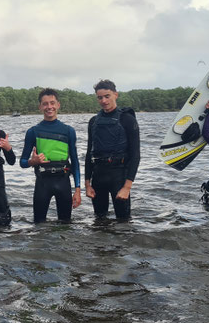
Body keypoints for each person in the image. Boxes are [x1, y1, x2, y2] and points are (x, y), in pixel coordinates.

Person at [19, 88, 82, 223]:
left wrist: (77, 190)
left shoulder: (68, 131)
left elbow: (75, 162)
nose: (49, 107)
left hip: (63, 182)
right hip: (42, 183)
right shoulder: (33, 132)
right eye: (45, 104)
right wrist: (32, 161)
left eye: (52, 103)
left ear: (58, 105)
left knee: (65, 226)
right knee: (39, 226)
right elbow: (22, 162)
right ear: (40, 107)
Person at [84, 79, 140, 221]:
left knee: (124, 222)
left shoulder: (127, 119)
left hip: (119, 175)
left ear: (116, 94)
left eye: (107, 96)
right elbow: (89, 152)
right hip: (98, 175)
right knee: (99, 220)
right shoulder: (93, 122)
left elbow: (135, 155)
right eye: (100, 97)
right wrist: (87, 184)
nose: (103, 100)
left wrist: (127, 187)